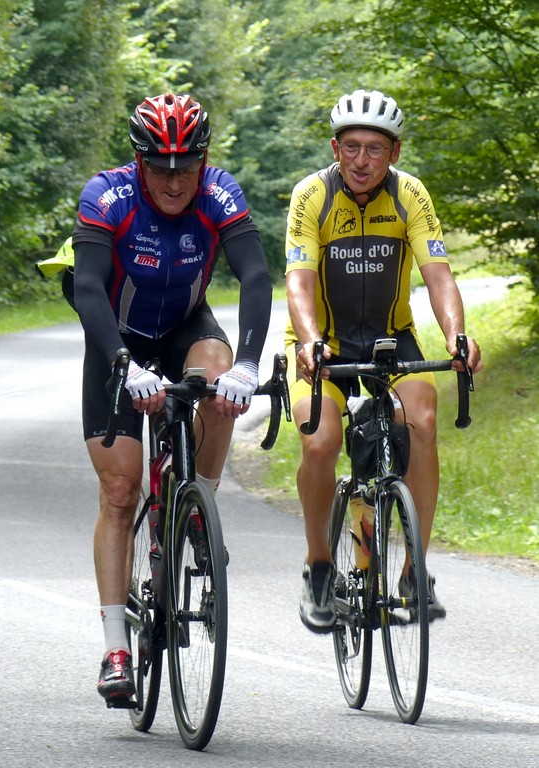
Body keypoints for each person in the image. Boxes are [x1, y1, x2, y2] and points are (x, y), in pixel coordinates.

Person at [71, 93, 272, 704]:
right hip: (118, 341)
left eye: (187, 166)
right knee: (120, 490)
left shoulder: (219, 193)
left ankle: (196, 510)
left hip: (186, 328)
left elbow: (255, 275)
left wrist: (247, 364)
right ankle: (115, 649)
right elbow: (88, 287)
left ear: (204, 159)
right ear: (140, 161)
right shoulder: (108, 195)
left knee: (218, 384)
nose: (176, 181)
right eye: (161, 167)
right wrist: (123, 363)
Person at [284, 88, 482, 634]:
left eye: (375, 148)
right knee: (319, 441)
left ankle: (415, 571)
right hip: (321, 345)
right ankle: (319, 566)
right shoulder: (312, 195)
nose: (361, 160)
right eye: (351, 147)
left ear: (394, 153)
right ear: (335, 148)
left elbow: (438, 276)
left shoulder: (410, 194)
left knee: (423, 419)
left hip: (391, 342)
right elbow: (299, 282)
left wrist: (457, 336)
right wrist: (309, 340)